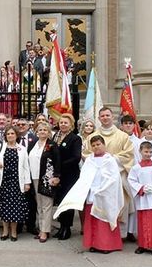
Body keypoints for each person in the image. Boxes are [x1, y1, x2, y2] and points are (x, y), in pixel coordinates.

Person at [55, 135, 124, 254]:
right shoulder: (89, 160)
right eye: (94, 145)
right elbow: (85, 176)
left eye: (98, 144)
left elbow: (114, 178)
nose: (96, 147)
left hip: (105, 194)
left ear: (104, 145)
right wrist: (88, 188)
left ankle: (106, 245)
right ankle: (94, 244)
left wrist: (102, 189)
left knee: (104, 220)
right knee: (92, 220)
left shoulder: (110, 160)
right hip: (92, 193)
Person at [83, 107, 134, 238]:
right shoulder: (92, 137)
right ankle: (97, 237)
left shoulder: (122, 136)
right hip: (97, 180)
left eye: (107, 115)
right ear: (99, 118)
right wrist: (100, 163)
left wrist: (111, 159)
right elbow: (86, 153)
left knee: (115, 206)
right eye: (102, 116)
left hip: (116, 179)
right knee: (97, 208)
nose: (105, 118)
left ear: (113, 117)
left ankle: (117, 236)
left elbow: (128, 155)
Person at [0, 126, 31, 242]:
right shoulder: (0, 146)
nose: (10, 135)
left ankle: (14, 232)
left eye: (12, 133)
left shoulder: (22, 149)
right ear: (5, 136)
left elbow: (26, 167)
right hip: (4, 182)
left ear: (16, 135)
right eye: (8, 134)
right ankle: (5, 231)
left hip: (17, 182)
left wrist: (27, 183)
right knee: (4, 208)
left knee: (16, 208)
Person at [28, 122, 60, 243]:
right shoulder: (33, 144)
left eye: (45, 130)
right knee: (39, 205)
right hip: (34, 178)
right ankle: (42, 228)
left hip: (47, 179)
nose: (42, 132)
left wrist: (56, 176)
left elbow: (57, 162)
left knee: (47, 205)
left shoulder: (52, 145)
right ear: (36, 131)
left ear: (48, 132)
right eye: (40, 130)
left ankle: (44, 231)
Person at [52, 113, 82, 240]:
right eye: (61, 122)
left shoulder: (75, 139)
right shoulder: (55, 136)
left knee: (67, 201)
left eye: (66, 123)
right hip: (57, 174)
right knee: (59, 200)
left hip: (69, 174)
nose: (63, 124)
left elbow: (76, 157)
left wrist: (59, 165)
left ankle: (66, 228)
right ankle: (61, 225)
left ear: (71, 125)